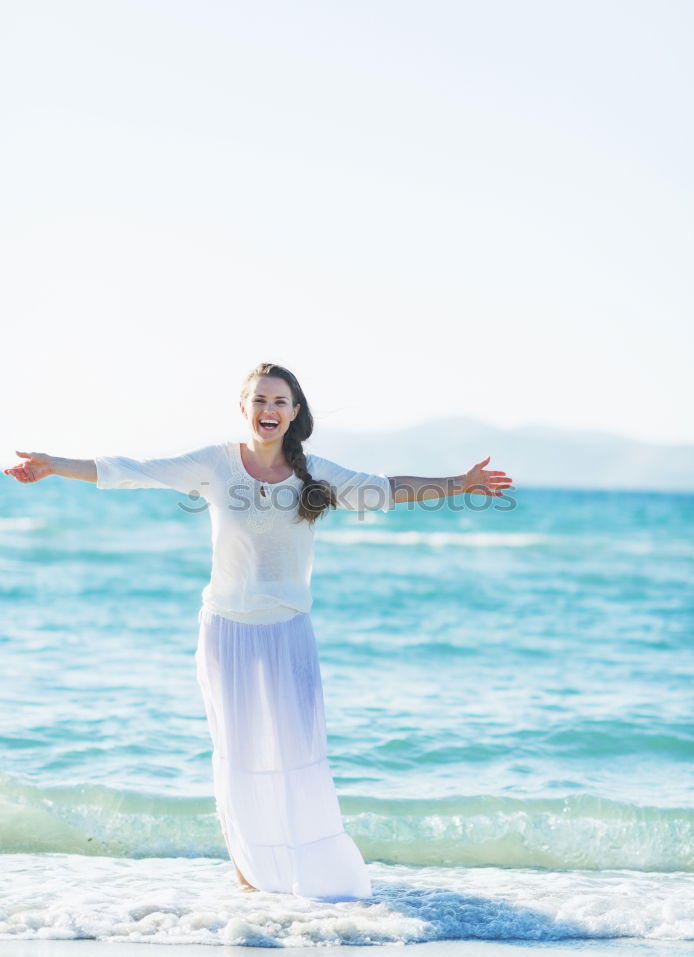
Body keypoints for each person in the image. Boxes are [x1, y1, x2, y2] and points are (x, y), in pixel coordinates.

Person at [4, 361, 513, 901]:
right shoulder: (215, 463)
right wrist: (55, 465)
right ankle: (248, 879)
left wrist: (461, 483)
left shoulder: (313, 472)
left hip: (289, 630)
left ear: (295, 413)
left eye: (279, 402)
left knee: (298, 754)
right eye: (260, 401)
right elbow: (135, 470)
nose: (268, 411)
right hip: (226, 630)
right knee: (238, 757)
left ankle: (311, 881)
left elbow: (385, 489)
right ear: (243, 408)